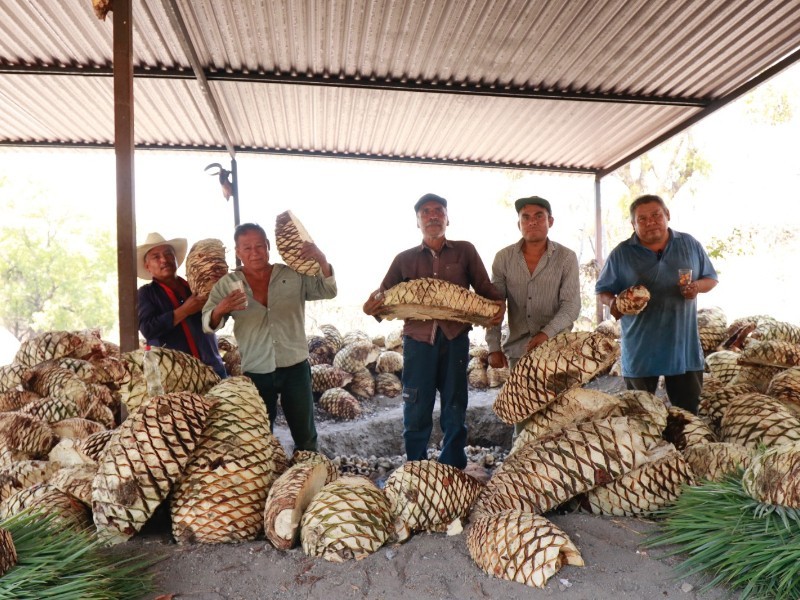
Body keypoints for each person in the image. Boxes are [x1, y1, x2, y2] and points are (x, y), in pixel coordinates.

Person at [362, 193, 504, 469]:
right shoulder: (404, 259)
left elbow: (486, 289)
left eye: (438, 210)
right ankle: (416, 465)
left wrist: (499, 306)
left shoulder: (465, 251)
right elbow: (383, 295)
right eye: (425, 212)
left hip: (455, 341)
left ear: (448, 218)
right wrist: (371, 306)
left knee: (454, 402)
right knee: (416, 403)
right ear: (418, 222)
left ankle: (452, 465)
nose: (433, 216)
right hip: (418, 343)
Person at [202, 222, 336, 451]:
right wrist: (220, 308)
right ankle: (270, 478)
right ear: (238, 252)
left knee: (305, 434)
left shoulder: (292, 275)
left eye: (259, 246)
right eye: (247, 248)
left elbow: (327, 290)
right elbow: (209, 324)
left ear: (267, 246)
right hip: (257, 369)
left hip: (295, 366)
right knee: (260, 434)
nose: (254, 253)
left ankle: (308, 472)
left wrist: (322, 260)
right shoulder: (227, 285)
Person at [595, 194, 718, 413]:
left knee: (687, 415)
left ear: (667, 215)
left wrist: (696, 287)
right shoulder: (621, 253)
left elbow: (710, 278)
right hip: (641, 350)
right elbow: (602, 291)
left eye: (656, 215)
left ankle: (683, 447)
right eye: (642, 219)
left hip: (683, 348)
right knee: (640, 415)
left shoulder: (689, 244)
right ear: (633, 224)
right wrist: (615, 302)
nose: (650, 222)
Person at [486, 195, 581, 372]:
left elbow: (571, 306)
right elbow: (494, 306)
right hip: (518, 352)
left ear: (550, 221)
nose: (532, 222)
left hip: (557, 350)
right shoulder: (503, 258)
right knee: (521, 400)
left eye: (539, 216)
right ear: (519, 224)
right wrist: (493, 347)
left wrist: (546, 333)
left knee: (559, 400)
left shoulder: (566, 257)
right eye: (526, 217)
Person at [137, 232, 226, 379]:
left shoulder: (196, 286)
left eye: (168, 254)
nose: (164, 260)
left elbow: (215, 321)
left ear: (176, 259)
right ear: (148, 266)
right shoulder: (145, 294)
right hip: (178, 378)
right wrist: (185, 310)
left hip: (213, 370)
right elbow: (148, 329)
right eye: (156, 257)